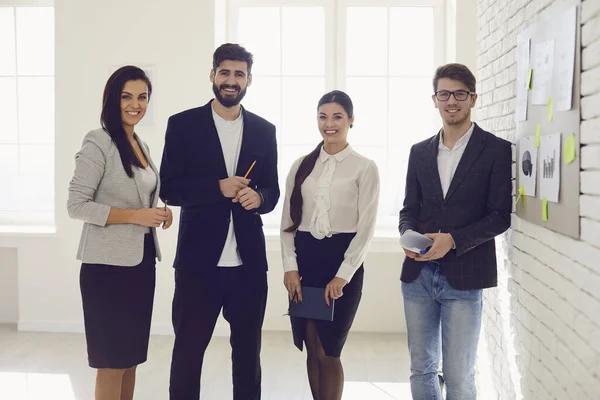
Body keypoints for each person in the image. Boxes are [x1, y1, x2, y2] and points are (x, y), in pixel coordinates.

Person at [159, 43, 279, 400]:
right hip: (198, 266)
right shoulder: (182, 125)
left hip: (248, 267)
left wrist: (259, 199)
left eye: (239, 74)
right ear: (212, 75)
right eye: (224, 72)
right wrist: (218, 188)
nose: (231, 80)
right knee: (187, 354)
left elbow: (272, 190)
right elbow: (169, 188)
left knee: (247, 357)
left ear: (249, 80)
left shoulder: (264, 130)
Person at [399, 63, 512, 400]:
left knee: (460, 375)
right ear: (434, 99)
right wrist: (407, 235)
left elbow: (500, 216)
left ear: (473, 98)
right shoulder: (419, 152)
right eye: (444, 93)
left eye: (459, 93)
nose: (451, 101)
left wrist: (453, 240)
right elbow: (409, 210)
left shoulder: (496, 150)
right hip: (417, 276)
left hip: (465, 277)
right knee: (421, 368)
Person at [67, 65, 173, 400]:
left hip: (140, 265)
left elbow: (143, 197)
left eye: (143, 97)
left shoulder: (139, 143)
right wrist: (135, 216)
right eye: (127, 96)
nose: (136, 104)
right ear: (112, 99)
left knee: (130, 360)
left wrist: (159, 213)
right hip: (106, 270)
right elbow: (77, 205)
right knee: (111, 363)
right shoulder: (98, 141)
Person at [281, 90, 380, 400]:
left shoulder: (365, 167)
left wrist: (344, 274)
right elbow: (287, 223)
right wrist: (290, 268)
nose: (330, 124)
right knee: (312, 348)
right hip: (306, 263)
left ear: (351, 120)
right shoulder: (301, 165)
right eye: (323, 117)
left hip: (341, 263)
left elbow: (365, 230)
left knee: (329, 350)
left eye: (338, 117)